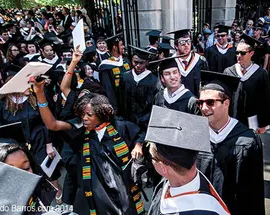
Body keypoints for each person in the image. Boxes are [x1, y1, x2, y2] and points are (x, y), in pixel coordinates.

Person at [32, 48, 145, 215]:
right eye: (83, 114)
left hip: (122, 188)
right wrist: (40, 95)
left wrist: (138, 145)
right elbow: (53, 124)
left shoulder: (119, 127)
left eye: (89, 115)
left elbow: (139, 134)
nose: (84, 118)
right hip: (98, 190)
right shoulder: (81, 130)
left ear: (102, 114)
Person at [197, 71, 265, 215]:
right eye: (200, 102)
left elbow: (254, 192)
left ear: (226, 103)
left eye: (210, 102)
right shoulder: (196, 136)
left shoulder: (247, 140)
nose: (203, 108)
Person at [146, 106, 230, 215]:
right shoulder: (170, 184)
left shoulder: (203, 210)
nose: (152, 162)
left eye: (152, 158)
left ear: (163, 168)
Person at [224, 34, 270, 134]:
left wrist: (263, 124)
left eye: (242, 53)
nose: (239, 56)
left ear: (251, 53)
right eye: (237, 52)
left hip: (252, 120)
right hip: (232, 118)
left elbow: (265, 100)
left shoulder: (261, 74)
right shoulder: (229, 72)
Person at [98, 34, 131, 115]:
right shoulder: (106, 67)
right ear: (115, 47)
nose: (123, 47)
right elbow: (108, 90)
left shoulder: (126, 61)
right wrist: (114, 109)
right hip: (118, 104)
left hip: (129, 102)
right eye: (121, 45)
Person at [169, 29, 208, 96]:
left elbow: (206, 85)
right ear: (176, 46)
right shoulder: (170, 63)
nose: (186, 45)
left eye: (188, 42)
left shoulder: (200, 61)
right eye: (182, 42)